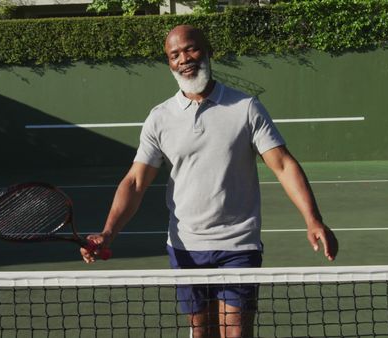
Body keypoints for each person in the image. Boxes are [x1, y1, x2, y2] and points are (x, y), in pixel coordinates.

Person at [81, 25, 337, 338]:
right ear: (169, 64)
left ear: (208, 51)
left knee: (235, 332)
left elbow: (283, 165)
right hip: (185, 246)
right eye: (174, 55)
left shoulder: (245, 108)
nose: (184, 59)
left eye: (190, 49)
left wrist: (313, 219)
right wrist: (108, 232)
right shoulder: (160, 118)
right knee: (202, 333)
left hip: (238, 243)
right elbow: (135, 181)